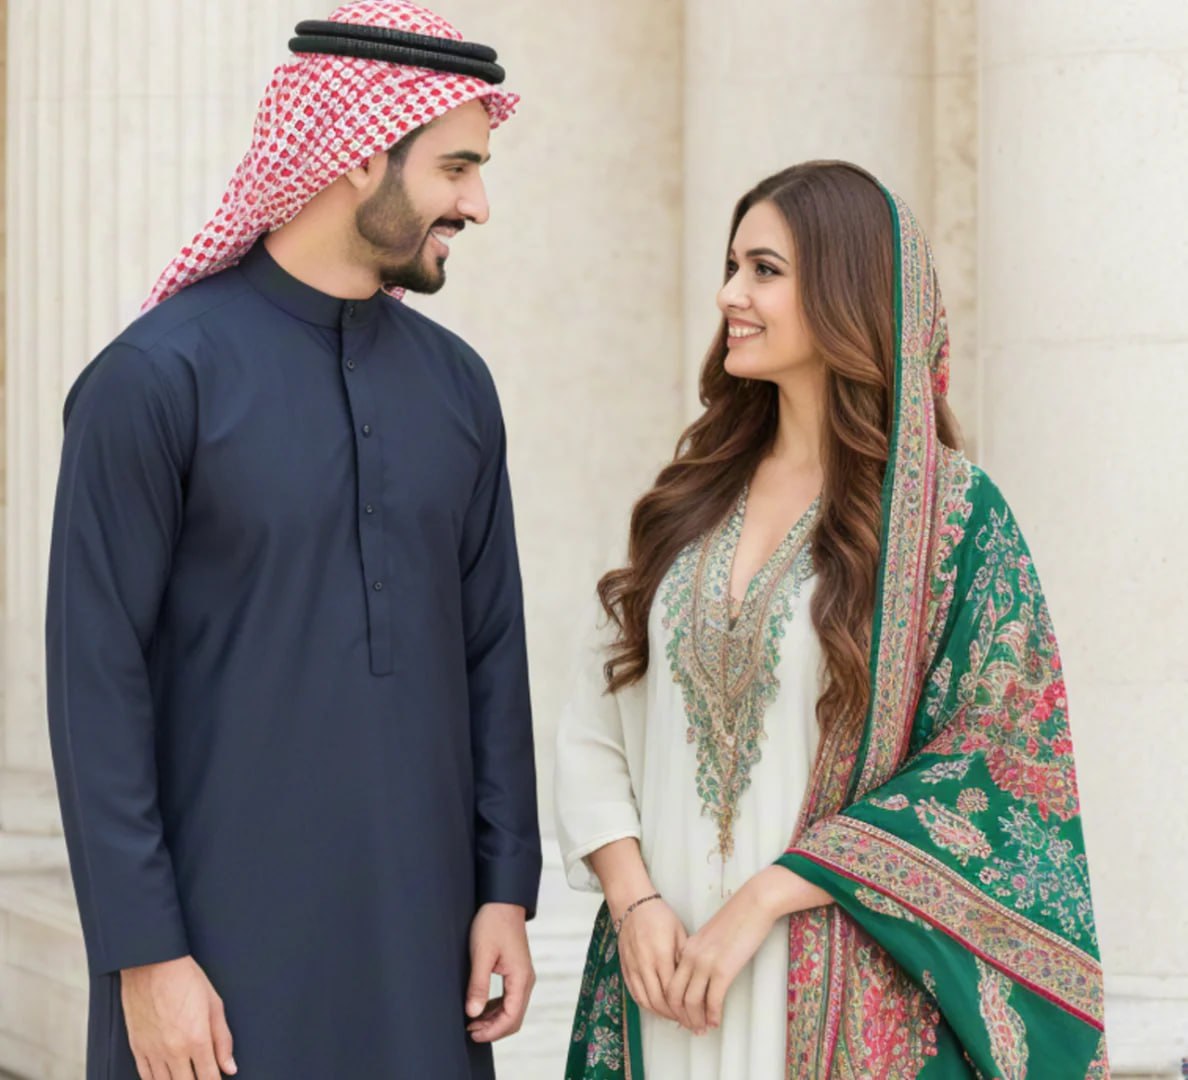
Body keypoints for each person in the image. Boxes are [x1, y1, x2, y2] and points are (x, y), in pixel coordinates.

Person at [45, 4, 541, 1077]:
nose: (477, 204)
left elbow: (492, 652)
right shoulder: (154, 380)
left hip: (423, 946)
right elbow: (96, 688)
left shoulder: (458, 388)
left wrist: (505, 889)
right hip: (215, 957)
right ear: (362, 154)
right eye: (456, 168)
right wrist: (145, 953)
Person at [555, 162, 1109, 1078]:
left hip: (836, 985)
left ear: (847, 293)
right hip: (662, 979)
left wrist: (767, 897)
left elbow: (997, 762)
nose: (731, 295)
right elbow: (596, 718)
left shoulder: (949, 519)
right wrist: (634, 901)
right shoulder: (688, 502)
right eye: (732, 267)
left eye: (764, 270)